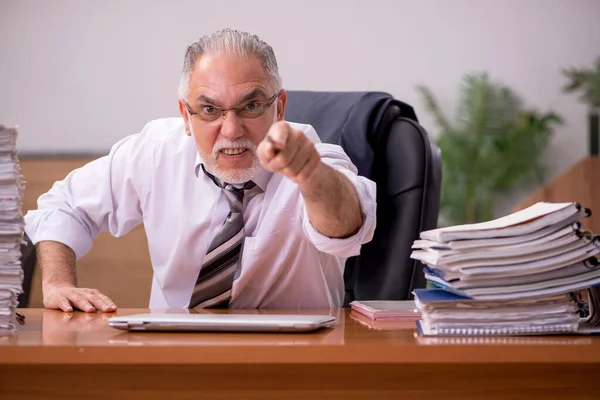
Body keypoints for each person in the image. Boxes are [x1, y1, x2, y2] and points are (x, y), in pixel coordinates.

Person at [24, 28, 377, 312]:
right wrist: (58, 284)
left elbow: (348, 224)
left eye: (251, 106)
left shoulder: (312, 157)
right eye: (210, 110)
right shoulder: (156, 151)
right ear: (185, 116)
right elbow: (64, 205)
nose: (232, 130)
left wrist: (310, 176)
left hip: (293, 361)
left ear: (279, 107)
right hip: (173, 357)